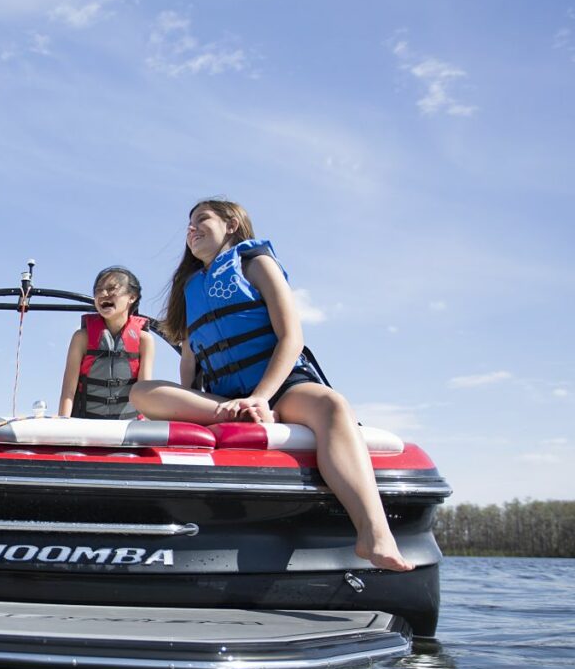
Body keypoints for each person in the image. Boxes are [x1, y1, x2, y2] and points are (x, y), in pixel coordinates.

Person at [130, 199, 410, 571]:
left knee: (333, 406)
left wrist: (261, 396)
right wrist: (197, 404)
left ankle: (374, 535)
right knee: (141, 392)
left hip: (280, 388)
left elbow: (291, 337)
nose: (191, 230)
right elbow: (190, 359)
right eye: (188, 225)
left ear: (231, 224)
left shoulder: (255, 262)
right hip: (223, 399)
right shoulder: (190, 288)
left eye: (201, 220)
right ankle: (235, 415)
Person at [58, 265, 156, 419]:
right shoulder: (81, 338)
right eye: (98, 290)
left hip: (128, 429)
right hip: (87, 425)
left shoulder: (145, 341)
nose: (103, 294)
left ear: (132, 297)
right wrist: (62, 427)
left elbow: (144, 392)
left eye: (112, 289)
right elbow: (68, 392)